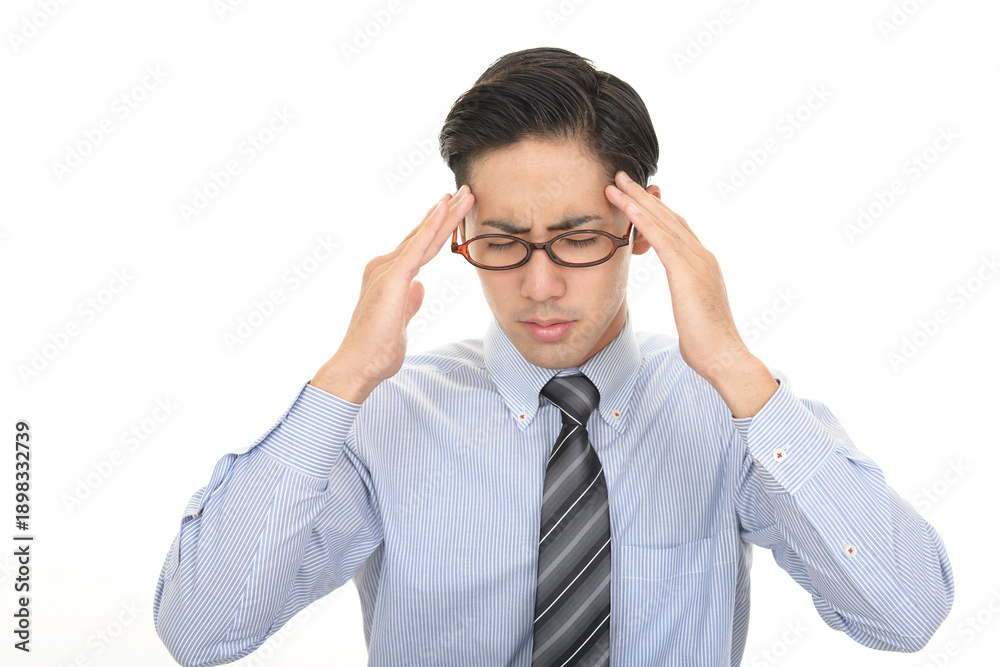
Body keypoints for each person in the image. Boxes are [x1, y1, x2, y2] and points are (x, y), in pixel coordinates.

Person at [153, 47, 954, 666]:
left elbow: (905, 613)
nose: (539, 286)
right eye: (503, 241)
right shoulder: (386, 416)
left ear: (643, 226)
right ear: (462, 234)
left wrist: (735, 368)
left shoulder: (732, 413)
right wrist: (344, 377)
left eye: (577, 238)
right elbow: (201, 628)